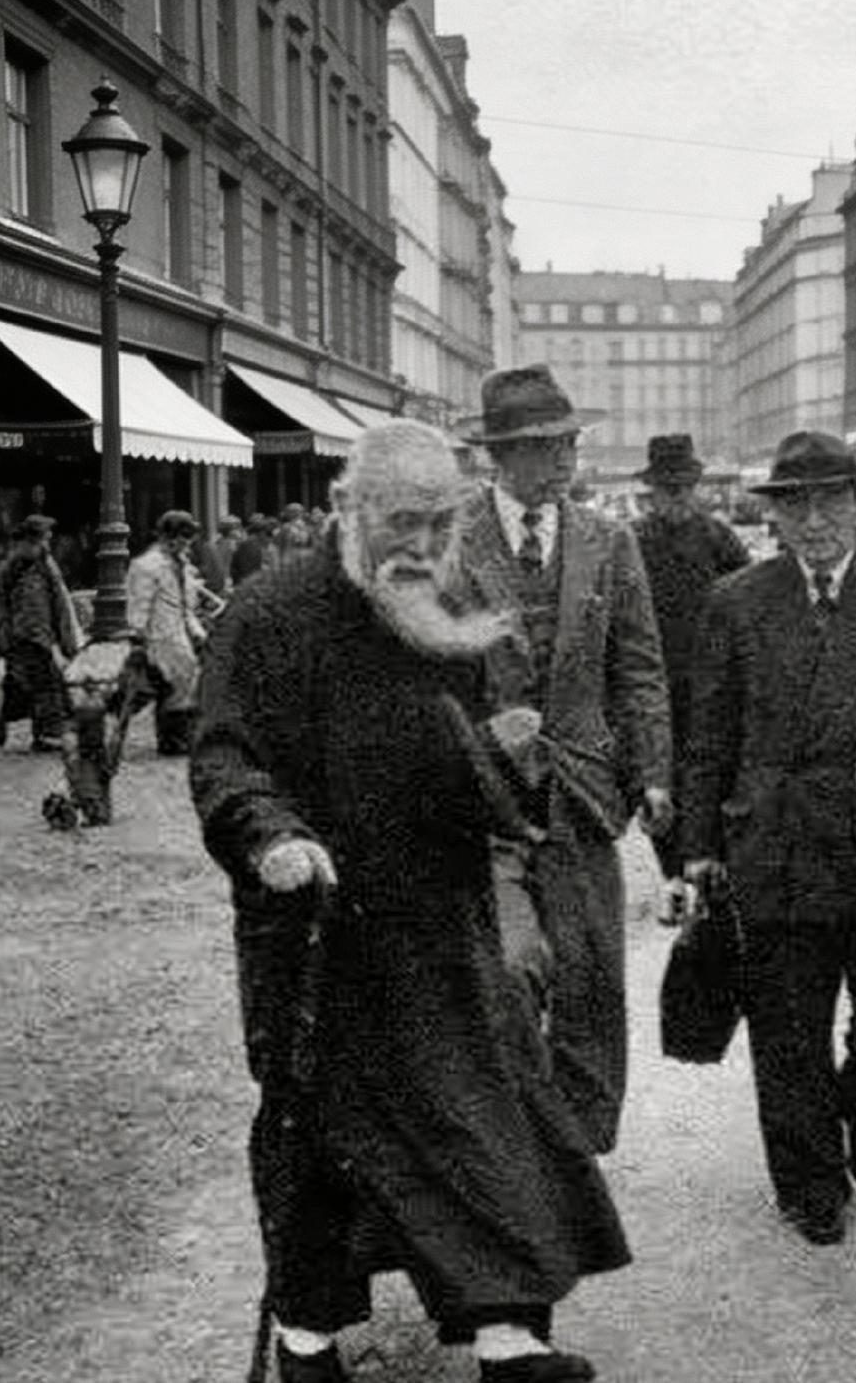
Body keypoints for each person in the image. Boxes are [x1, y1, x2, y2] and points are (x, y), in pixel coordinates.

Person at [190, 422, 627, 1383]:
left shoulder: (451, 616)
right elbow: (225, 755)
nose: (421, 545)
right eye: (402, 522)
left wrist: (511, 762)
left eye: (438, 523)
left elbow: (478, 769)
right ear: (350, 511)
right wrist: (273, 838)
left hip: (436, 922)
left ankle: (509, 1336)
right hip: (315, 926)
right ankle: (308, 1339)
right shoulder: (269, 614)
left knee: (483, 1119)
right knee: (315, 1138)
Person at [680, 431, 856, 1246]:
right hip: (776, 846)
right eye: (796, 505)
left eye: (831, 501)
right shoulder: (737, 601)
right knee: (787, 1031)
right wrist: (696, 848)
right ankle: (810, 1185)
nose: (816, 521)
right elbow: (708, 735)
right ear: (776, 518)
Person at [457, 364, 673, 1154]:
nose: (563, 460)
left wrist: (652, 774)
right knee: (510, 970)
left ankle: (580, 1144)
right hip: (484, 800)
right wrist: (477, 740)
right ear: (499, 457)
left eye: (569, 443)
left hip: (583, 791)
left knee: (590, 974)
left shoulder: (607, 542)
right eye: (544, 446)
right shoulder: (454, 544)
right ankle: (513, 1131)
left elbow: (639, 668)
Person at [632, 434, 750, 890]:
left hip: (712, 685)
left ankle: (706, 865)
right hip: (656, 687)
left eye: (684, 487)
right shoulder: (633, 542)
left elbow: (747, 607)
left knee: (710, 774)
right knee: (661, 780)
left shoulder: (720, 539)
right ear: (653, 492)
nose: (677, 497)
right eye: (667, 489)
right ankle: (673, 874)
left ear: (696, 487)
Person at [125, 510, 210, 756]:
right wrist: (137, 635)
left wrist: (198, 634)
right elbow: (139, 604)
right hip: (160, 636)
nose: (186, 544)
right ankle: (171, 739)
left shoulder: (180, 564)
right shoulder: (146, 566)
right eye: (182, 538)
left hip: (179, 633)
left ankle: (179, 737)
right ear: (168, 537)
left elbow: (185, 605)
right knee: (171, 686)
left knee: (184, 684)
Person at [0, 514, 81, 751]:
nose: (46, 545)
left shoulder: (39, 564)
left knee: (22, 686)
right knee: (46, 685)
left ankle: (43, 731)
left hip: (28, 637)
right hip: (28, 639)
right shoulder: (22, 569)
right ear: (25, 542)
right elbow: (32, 612)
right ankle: (49, 735)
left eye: (47, 539)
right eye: (41, 540)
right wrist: (50, 645)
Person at [230, 514, 274, 587]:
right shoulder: (250, 545)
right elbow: (248, 571)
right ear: (261, 533)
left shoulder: (254, 544)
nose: (269, 538)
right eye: (268, 534)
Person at [210, 515, 244, 594]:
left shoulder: (220, 542)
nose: (240, 531)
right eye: (236, 528)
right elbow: (225, 564)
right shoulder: (229, 544)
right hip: (227, 579)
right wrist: (226, 580)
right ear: (229, 530)